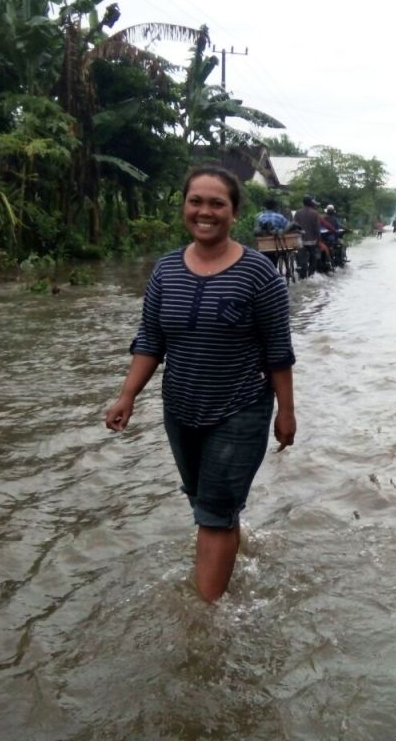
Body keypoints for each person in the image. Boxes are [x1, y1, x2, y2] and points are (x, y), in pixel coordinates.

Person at [104, 164, 296, 603]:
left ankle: (206, 621)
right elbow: (150, 341)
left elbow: (277, 352)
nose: (204, 211)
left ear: (233, 212)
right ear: (184, 207)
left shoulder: (259, 275)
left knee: (210, 515)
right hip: (181, 409)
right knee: (203, 502)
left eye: (217, 203)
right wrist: (127, 395)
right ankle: (230, 536)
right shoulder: (166, 270)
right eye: (196, 201)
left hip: (240, 409)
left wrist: (285, 412)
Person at [292, 195, 322, 278]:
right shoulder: (315, 213)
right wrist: (319, 240)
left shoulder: (298, 213)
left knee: (301, 258)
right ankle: (311, 274)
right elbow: (317, 229)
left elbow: (294, 226)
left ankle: (301, 272)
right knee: (313, 258)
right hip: (312, 241)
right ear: (311, 203)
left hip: (300, 241)